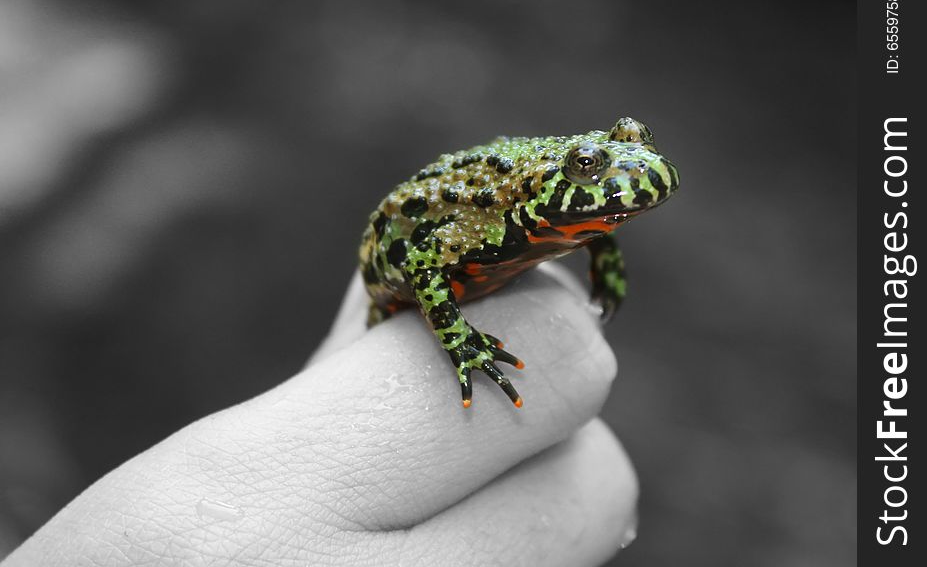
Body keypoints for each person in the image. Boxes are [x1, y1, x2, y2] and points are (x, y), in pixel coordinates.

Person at [3, 264, 637, 566]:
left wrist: (605, 273)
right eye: (588, 167)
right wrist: (461, 342)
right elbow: (425, 265)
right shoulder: (496, 213)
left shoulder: (579, 218)